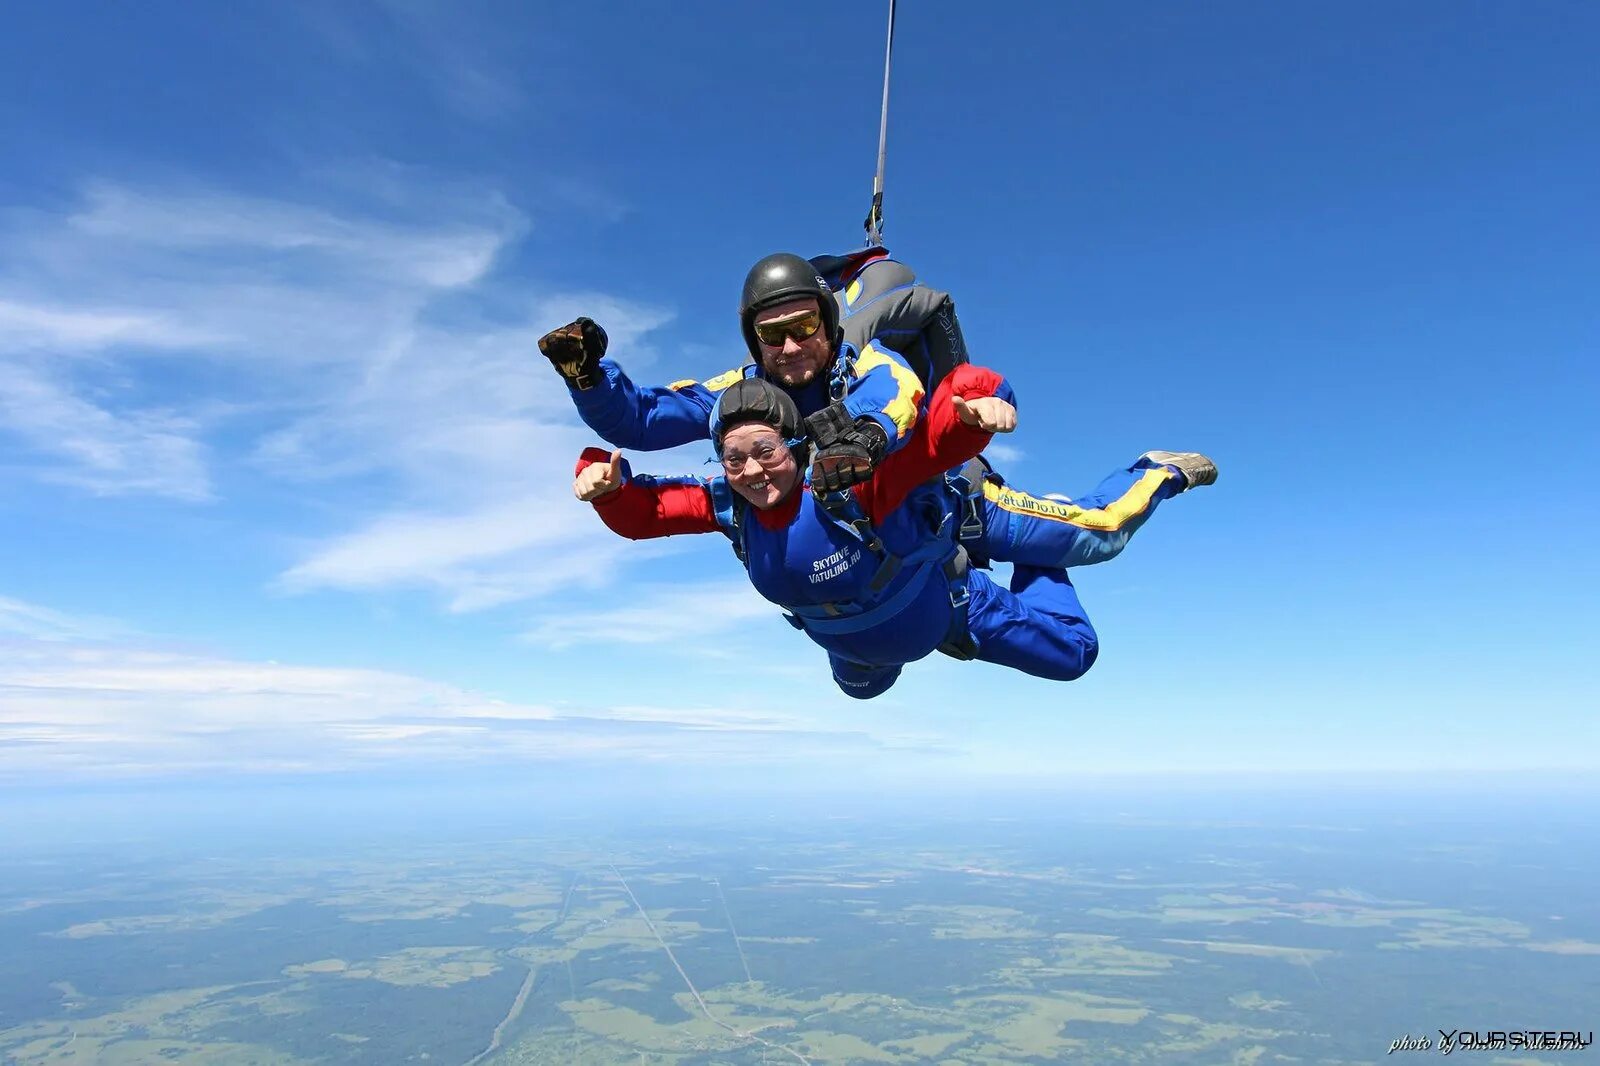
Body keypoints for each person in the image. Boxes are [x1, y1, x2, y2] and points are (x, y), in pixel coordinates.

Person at [542, 251, 1216, 570]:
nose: (791, 347)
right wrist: (589, 376)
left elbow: (896, 396)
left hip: (948, 497)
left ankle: (1158, 471)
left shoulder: (861, 365)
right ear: (753, 342)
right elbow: (642, 421)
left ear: (830, 325)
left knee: (1098, 536)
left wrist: (864, 438)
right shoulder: (742, 388)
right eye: (770, 336)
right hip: (875, 535)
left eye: (805, 326)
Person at [572, 365, 1102, 699]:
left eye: (766, 451)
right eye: (734, 459)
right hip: (857, 650)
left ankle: (1049, 554)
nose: (753, 471)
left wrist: (975, 407)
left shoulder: (845, 488)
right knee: (860, 691)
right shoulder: (731, 506)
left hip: (952, 613)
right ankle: (877, 656)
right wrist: (606, 486)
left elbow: (930, 445)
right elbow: (650, 512)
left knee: (1074, 656)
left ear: (796, 448)